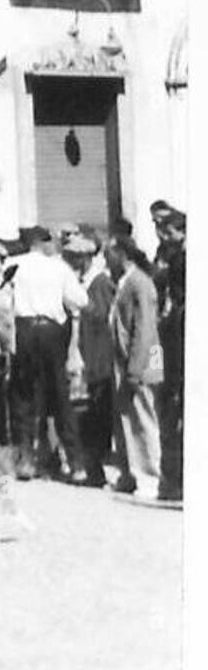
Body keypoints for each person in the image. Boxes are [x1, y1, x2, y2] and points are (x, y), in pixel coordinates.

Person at [5, 226, 87, 482]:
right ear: (44, 242)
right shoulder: (59, 267)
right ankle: (76, 464)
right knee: (60, 395)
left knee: (23, 395)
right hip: (52, 331)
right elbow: (80, 300)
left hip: (25, 329)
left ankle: (27, 460)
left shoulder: (13, 264)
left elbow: (2, 297)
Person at [106, 235, 163, 499]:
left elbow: (145, 329)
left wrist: (136, 366)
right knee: (126, 418)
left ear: (123, 254)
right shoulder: (125, 282)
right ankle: (130, 471)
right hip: (125, 359)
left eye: (111, 253)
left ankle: (150, 476)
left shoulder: (140, 283)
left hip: (140, 359)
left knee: (144, 417)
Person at [62, 233, 115, 488]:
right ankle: (92, 465)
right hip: (86, 352)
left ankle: (97, 466)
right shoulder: (84, 281)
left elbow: (102, 318)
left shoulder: (99, 282)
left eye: (73, 258)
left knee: (96, 412)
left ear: (84, 258)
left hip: (98, 355)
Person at [151, 206, 184, 502]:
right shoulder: (167, 256)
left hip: (175, 340)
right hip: (169, 341)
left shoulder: (179, 260)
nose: (161, 232)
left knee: (173, 409)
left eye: (166, 227)